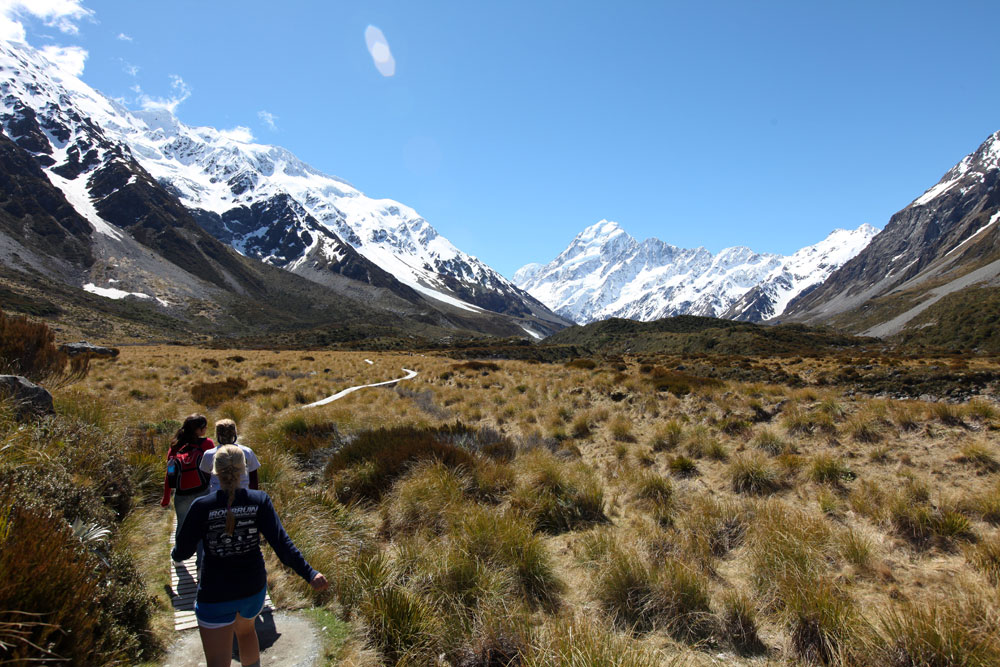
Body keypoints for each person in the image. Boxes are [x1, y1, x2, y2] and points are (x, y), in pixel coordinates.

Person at [172, 445, 328, 667]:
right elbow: (282, 544)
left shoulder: (201, 506)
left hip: (215, 593)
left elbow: (184, 551)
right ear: (244, 470)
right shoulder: (259, 501)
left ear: (214, 472)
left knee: (218, 661)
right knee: (246, 632)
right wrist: (310, 573)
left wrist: (175, 553)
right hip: (252, 590)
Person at [161, 414, 215, 569]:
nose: (205, 429)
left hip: (182, 494)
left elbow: (169, 474)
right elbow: (214, 468)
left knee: (183, 526)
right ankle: (200, 566)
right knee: (202, 528)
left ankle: (178, 558)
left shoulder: (175, 446)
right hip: (203, 493)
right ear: (198, 430)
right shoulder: (207, 444)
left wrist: (166, 498)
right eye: (204, 427)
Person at [200, 419, 260, 492]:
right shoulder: (247, 452)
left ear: (217, 434)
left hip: (217, 496)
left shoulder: (209, 454)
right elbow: (253, 478)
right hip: (243, 495)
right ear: (235, 433)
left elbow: (206, 476)